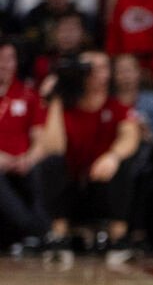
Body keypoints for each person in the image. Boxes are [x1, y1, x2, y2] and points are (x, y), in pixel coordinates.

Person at [41, 52, 141, 263]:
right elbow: (53, 147)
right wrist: (57, 98)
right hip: (70, 190)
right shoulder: (65, 107)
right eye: (88, 67)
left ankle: (118, 237)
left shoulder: (116, 106)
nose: (95, 73)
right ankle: (59, 236)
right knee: (51, 162)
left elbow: (130, 137)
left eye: (102, 67)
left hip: (102, 187)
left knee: (124, 162)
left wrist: (112, 157)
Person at [0, 39, 54, 251]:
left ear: (16, 62)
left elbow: (40, 139)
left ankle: (40, 231)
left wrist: (28, 158)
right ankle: (36, 232)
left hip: (23, 161)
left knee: (42, 168)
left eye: (8, 59)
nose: (3, 64)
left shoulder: (28, 95)